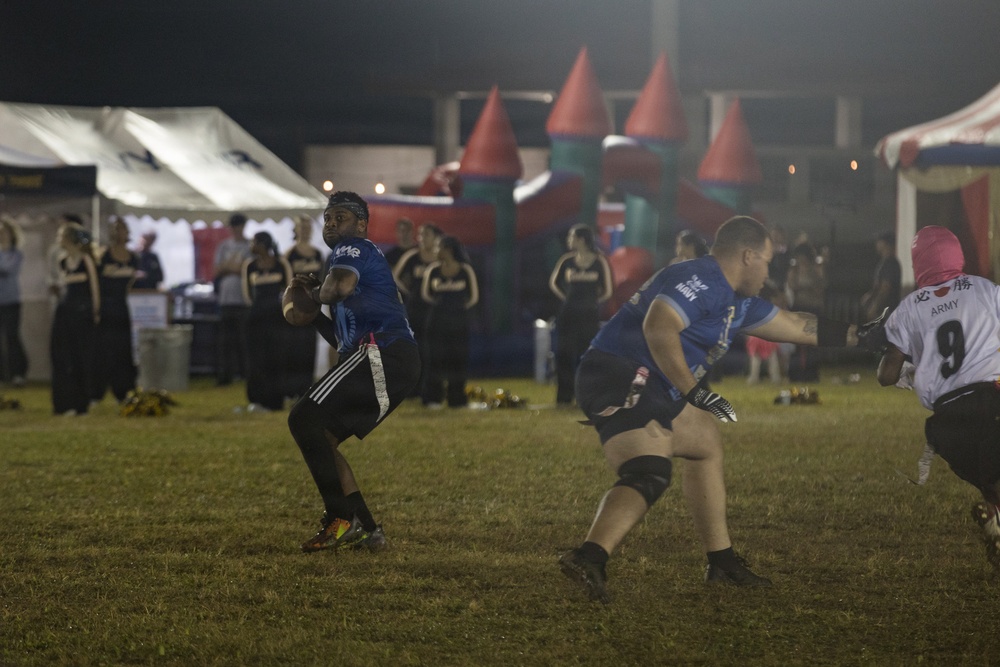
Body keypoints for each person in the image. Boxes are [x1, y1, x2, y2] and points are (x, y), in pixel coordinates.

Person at [559, 215, 883, 603]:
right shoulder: (701, 277)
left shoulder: (736, 300)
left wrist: (863, 335)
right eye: (766, 261)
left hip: (649, 380)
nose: (769, 272)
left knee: (705, 443)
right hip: (622, 372)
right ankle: (588, 556)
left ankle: (722, 562)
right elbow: (658, 327)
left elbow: (797, 325)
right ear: (747, 256)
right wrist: (694, 393)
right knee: (648, 470)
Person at [288, 191, 420, 552]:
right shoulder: (349, 260)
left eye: (340, 217)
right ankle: (365, 527)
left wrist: (313, 294)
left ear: (361, 224)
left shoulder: (352, 248)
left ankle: (341, 519)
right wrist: (314, 315)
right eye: (328, 218)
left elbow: (339, 287)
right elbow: (343, 341)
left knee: (303, 419)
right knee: (322, 435)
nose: (331, 224)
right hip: (384, 357)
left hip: (383, 352)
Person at [876, 226, 1000, 569]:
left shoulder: (907, 309)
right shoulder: (984, 289)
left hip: (945, 420)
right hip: (990, 400)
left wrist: (898, 358)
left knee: (985, 473)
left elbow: (886, 376)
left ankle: (995, 517)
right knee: (994, 467)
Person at [548, 224, 613, 406]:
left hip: (589, 316)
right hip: (568, 314)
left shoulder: (600, 261)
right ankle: (564, 397)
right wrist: (567, 298)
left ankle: (586, 395)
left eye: (572, 237)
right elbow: (553, 283)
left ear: (582, 239)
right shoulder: (566, 260)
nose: (569, 240)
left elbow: (608, 290)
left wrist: (592, 302)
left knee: (586, 355)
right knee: (563, 354)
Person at [420, 234, 479, 408]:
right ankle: (433, 398)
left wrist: (457, 308)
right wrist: (441, 306)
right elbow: (426, 294)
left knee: (458, 360)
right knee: (435, 359)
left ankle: (457, 398)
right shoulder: (432, 270)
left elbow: (474, 297)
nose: (435, 251)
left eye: (438, 247)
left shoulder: (465, 270)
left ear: (448, 250)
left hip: (459, 322)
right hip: (436, 321)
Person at [50, 221, 100, 416]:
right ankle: (64, 402)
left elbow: (94, 288)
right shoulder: (63, 261)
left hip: (82, 313)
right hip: (65, 312)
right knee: (63, 356)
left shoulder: (85, 260)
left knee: (81, 357)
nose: (58, 239)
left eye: (61, 235)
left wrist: (96, 312)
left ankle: (81, 402)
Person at [242, 231, 293, 412]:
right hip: (256, 317)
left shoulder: (281, 263)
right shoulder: (249, 265)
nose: (251, 246)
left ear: (263, 245)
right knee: (256, 358)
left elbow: (289, 288)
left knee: (276, 357)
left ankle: (275, 399)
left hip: (276, 317)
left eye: (254, 242)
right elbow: (247, 294)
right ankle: (257, 398)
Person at [91, 216, 139, 403]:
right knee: (103, 350)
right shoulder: (103, 255)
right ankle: (97, 391)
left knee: (123, 350)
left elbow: (131, 282)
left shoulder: (133, 257)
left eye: (123, 229)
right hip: (105, 307)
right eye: (117, 229)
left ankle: (124, 390)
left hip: (121, 307)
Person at [393, 222, 443, 397]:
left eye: (426, 235)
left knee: (434, 349)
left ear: (436, 238)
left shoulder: (441, 259)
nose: (422, 238)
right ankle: (414, 388)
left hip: (435, 310)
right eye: (421, 235)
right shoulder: (413, 256)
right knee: (415, 348)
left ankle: (432, 388)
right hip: (415, 308)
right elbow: (394, 276)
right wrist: (408, 291)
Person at [284, 215, 325, 399]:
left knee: (309, 347)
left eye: (308, 228)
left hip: (311, 305)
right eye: (303, 228)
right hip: (295, 305)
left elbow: (321, 279)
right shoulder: (290, 254)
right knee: (293, 347)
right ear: (296, 230)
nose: (306, 231)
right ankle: (291, 389)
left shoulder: (317, 254)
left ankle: (306, 389)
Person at [212, 213, 252, 386]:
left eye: (238, 226)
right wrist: (235, 267)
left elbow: (247, 269)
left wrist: (229, 267)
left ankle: (245, 373)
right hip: (225, 300)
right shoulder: (223, 246)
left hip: (244, 300)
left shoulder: (250, 246)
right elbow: (217, 270)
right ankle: (225, 375)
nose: (236, 229)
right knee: (225, 342)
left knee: (244, 341)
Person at [785, 241, 827, 382]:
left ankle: (811, 374)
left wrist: (807, 287)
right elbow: (792, 286)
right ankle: (795, 373)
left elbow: (820, 289)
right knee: (797, 343)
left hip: (813, 309)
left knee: (812, 343)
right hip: (799, 308)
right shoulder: (794, 270)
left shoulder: (816, 269)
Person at [0, 216, 28, 386]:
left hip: (11, 301)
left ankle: (18, 373)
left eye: (5, 232)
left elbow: (7, 269)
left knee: (12, 337)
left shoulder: (16, 254)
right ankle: (2, 376)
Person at [861, 231, 902, 321]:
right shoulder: (885, 262)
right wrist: (870, 295)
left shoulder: (890, 262)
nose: (877, 244)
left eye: (879, 241)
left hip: (886, 312)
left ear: (885, 243)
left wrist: (874, 307)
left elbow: (885, 288)